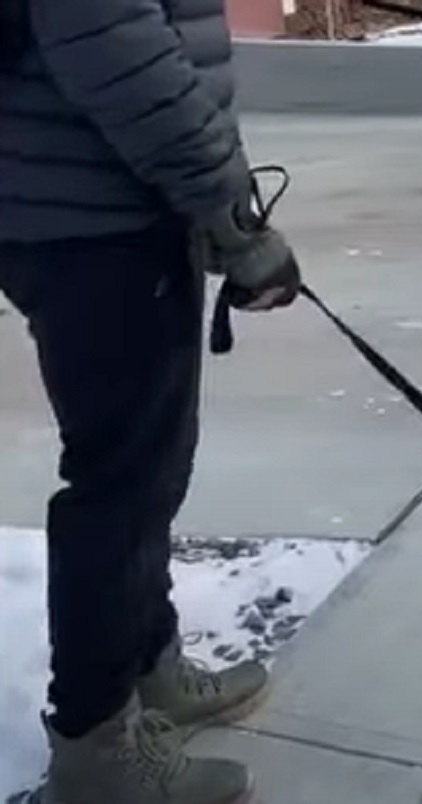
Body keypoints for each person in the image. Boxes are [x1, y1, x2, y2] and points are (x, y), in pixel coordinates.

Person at [0, 1, 302, 802]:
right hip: (96, 223)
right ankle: (96, 743)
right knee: (120, 488)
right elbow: (123, 60)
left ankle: (147, 668)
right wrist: (233, 221)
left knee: (147, 470)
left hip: (96, 209)